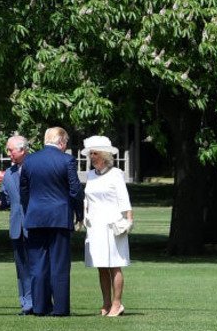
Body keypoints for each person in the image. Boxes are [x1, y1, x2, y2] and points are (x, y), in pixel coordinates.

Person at [21, 126, 83, 316]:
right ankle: (60, 308)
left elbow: (23, 189)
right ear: (62, 142)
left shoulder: (30, 160)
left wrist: (29, 209)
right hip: (59, 217)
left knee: (37, 264)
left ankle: (40, 307)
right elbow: (75, 190)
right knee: (59, 264)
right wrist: (79, 213)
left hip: (35, 217)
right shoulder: (67, 160)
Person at [81, 135, 133, 317]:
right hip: (95, 225)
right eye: (90, 153)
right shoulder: (90, 175)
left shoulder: (116, 174)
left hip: (112, 224)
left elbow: (124, 200)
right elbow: (87, 199)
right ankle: (106, 302)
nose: (91, 157)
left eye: (94, 153)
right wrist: (83, 216)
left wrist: (128, 220)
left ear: (103, 155)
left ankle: (117, 303)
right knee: (101, 265)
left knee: (115, 264)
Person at [0, 134, 33, 315]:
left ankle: (39, 301)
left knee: (37, 266)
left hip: (34, 225)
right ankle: (26, 303)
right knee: (21, 268)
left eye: (11, 150)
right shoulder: (8, 174)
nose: (9, 153)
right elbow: (6, 199)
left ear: (23, 149)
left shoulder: (35, 168)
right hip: (16, 227)